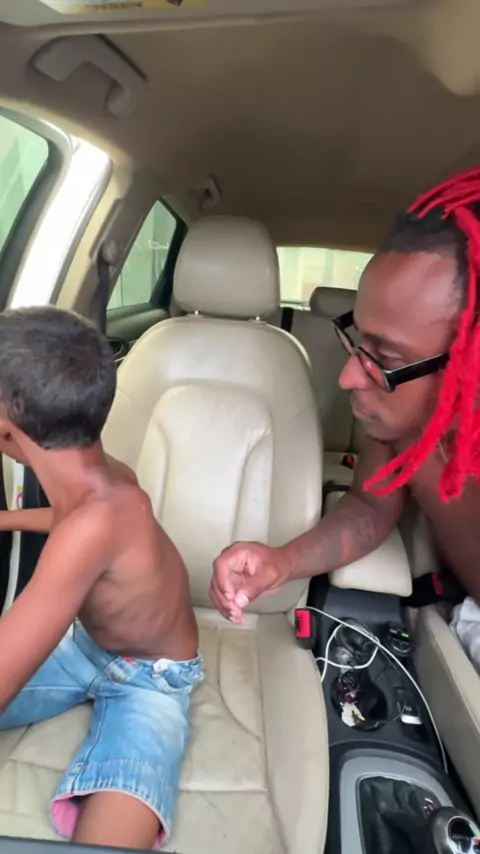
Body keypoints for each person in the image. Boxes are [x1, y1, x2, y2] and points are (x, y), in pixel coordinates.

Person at [211, 167, 480, 625]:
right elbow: (370, 508)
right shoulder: (397, 423)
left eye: (385, 357)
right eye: (357, 339)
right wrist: (282, 562)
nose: (348, 376)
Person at [0, 306, 202, 850]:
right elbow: (67, 516)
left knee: (117, 821)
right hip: (87, 648)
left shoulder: (93, 525)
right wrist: (6, 519)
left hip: (154, 678)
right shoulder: (106, 476)